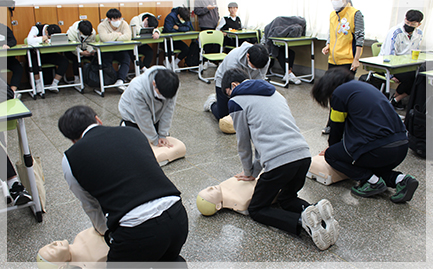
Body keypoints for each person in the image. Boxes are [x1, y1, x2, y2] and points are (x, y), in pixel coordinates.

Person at [222, 68, 339, 251]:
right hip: (303, 156)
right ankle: (318, 214)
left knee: (257, 209)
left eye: (228, 93)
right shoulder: (275, 92)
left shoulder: (236, 101)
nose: (229, 98)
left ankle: (302, 222)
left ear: (234, 86)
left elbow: (243, 143)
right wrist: (255, 170)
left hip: (280, 164)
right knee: (287, 198)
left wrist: (248, 173)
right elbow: (264, 139)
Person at [58, 105, 188, 263]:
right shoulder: (133, 132)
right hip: (177, 215)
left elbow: (90, 204)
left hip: (137, 231)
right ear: (97, 119)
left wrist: (104, 232)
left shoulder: (70, 158)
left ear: (72, 140)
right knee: (168, 259)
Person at [311, 68, 419, 203]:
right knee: (368, 167)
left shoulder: (339, 93)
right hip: (401, 146)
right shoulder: (365, 88)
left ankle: (371, 181)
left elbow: (336, 128)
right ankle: (401, 180)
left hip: (379, 150)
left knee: (331, 155)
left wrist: (333, 150)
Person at [321, 0, 365, 134]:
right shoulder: (333, 15)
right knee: (331, 93)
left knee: (343, 95)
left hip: (347, 61)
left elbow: (359, 38)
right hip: (333, 60)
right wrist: (328, 46)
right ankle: (332, 123)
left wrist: (356, 59)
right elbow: (332, 34)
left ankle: (344, 125)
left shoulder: (355, 14)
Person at [203, 43, 270, 121]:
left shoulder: (264, 59)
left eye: (259, 68)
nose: (256, 69)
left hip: (248, 80)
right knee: (223, 116)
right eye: (254, 67)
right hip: (225, 81)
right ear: (248, 56)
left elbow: (259, 81)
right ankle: (211, 103)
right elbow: (235, 88)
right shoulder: (233, 59)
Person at [118, 66, 179, 148]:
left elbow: (168, 110)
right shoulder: (137, 89)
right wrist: (155, 140)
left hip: (155, 113)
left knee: (160, 137)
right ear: (154, 84)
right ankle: (125, 124)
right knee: (135, 142)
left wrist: (162, 135)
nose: (164, 99)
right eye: (162, 95)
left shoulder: (172, 85)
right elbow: (143, 118)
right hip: (132, 113)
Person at [379, 10, 424, 110]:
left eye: (412, 24)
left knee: (420, 76)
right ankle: (395, 100)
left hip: (405, 65)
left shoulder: (419, 33)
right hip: (391, 65)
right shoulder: (395, 32)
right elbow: (388, 54)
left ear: (419, 24)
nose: (408, 25)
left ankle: (396, 99)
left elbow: (414, 51)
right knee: (413, 78)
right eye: (407, 22)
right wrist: (391, 74)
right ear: (404, 19)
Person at [262, 16, 307, 85]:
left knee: (291, 53)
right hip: (267, 45)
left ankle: (288, 73)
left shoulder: (286, 26)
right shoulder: (277, 22)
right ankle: (289, 73)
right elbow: (267, 39)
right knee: (280, 53)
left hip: (277, 44)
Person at [27, 24, 70, 95]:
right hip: (36, 54)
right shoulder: (36, 29)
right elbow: (29, 41)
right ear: (46, 32)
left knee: (64, 61)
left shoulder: (55, 30)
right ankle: (38, 85)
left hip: (49, 54)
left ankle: (54, 84)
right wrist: (41, 39)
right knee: (34, 61)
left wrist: (49, 41)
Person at [97, 8, 132, 92]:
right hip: (107, 50)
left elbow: (128, 37)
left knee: (126, 59)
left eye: (119, 18)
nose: (118, 20)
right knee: (106, 62)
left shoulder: (124, 23)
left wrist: (112, 37)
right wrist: (118, 34)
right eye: (115, 19)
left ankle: (120, 81)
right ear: (109, 19)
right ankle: (115, 79)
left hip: (120, 49)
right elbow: (105, 38)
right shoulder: (102, 26)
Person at [37, 227, 109, 267]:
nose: (54, 243)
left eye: (49, 245)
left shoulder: (79, 237)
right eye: (52, 251)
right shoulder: (92, 263)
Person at [66, 20, 97, 91]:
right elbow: (72, 47)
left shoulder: (92, 32)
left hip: (85, 49)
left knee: (96, 57)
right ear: (79, 30)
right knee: (76, 58)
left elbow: (90, 43)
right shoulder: (71, 32)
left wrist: (90, 50)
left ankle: (93, 77)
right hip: (73, 51)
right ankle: (77, 79)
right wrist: (81, 53)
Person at [162, 7, 194, 71]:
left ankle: (175, 62)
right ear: (178, 16)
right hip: (167, 41)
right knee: (168, 49)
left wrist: (178, 28)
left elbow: (187, 28)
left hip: (176, 40)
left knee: (186, 49)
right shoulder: (170, 17)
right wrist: (181, 29)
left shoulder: (185, 16)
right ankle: (166, 61)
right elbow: (169, 30)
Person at [0, 23, 23, 94]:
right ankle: (7, 92)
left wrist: (7, 45)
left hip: (7, 58)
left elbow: (13, 41)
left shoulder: (4, 28)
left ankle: (12, 91)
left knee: (18, 68)